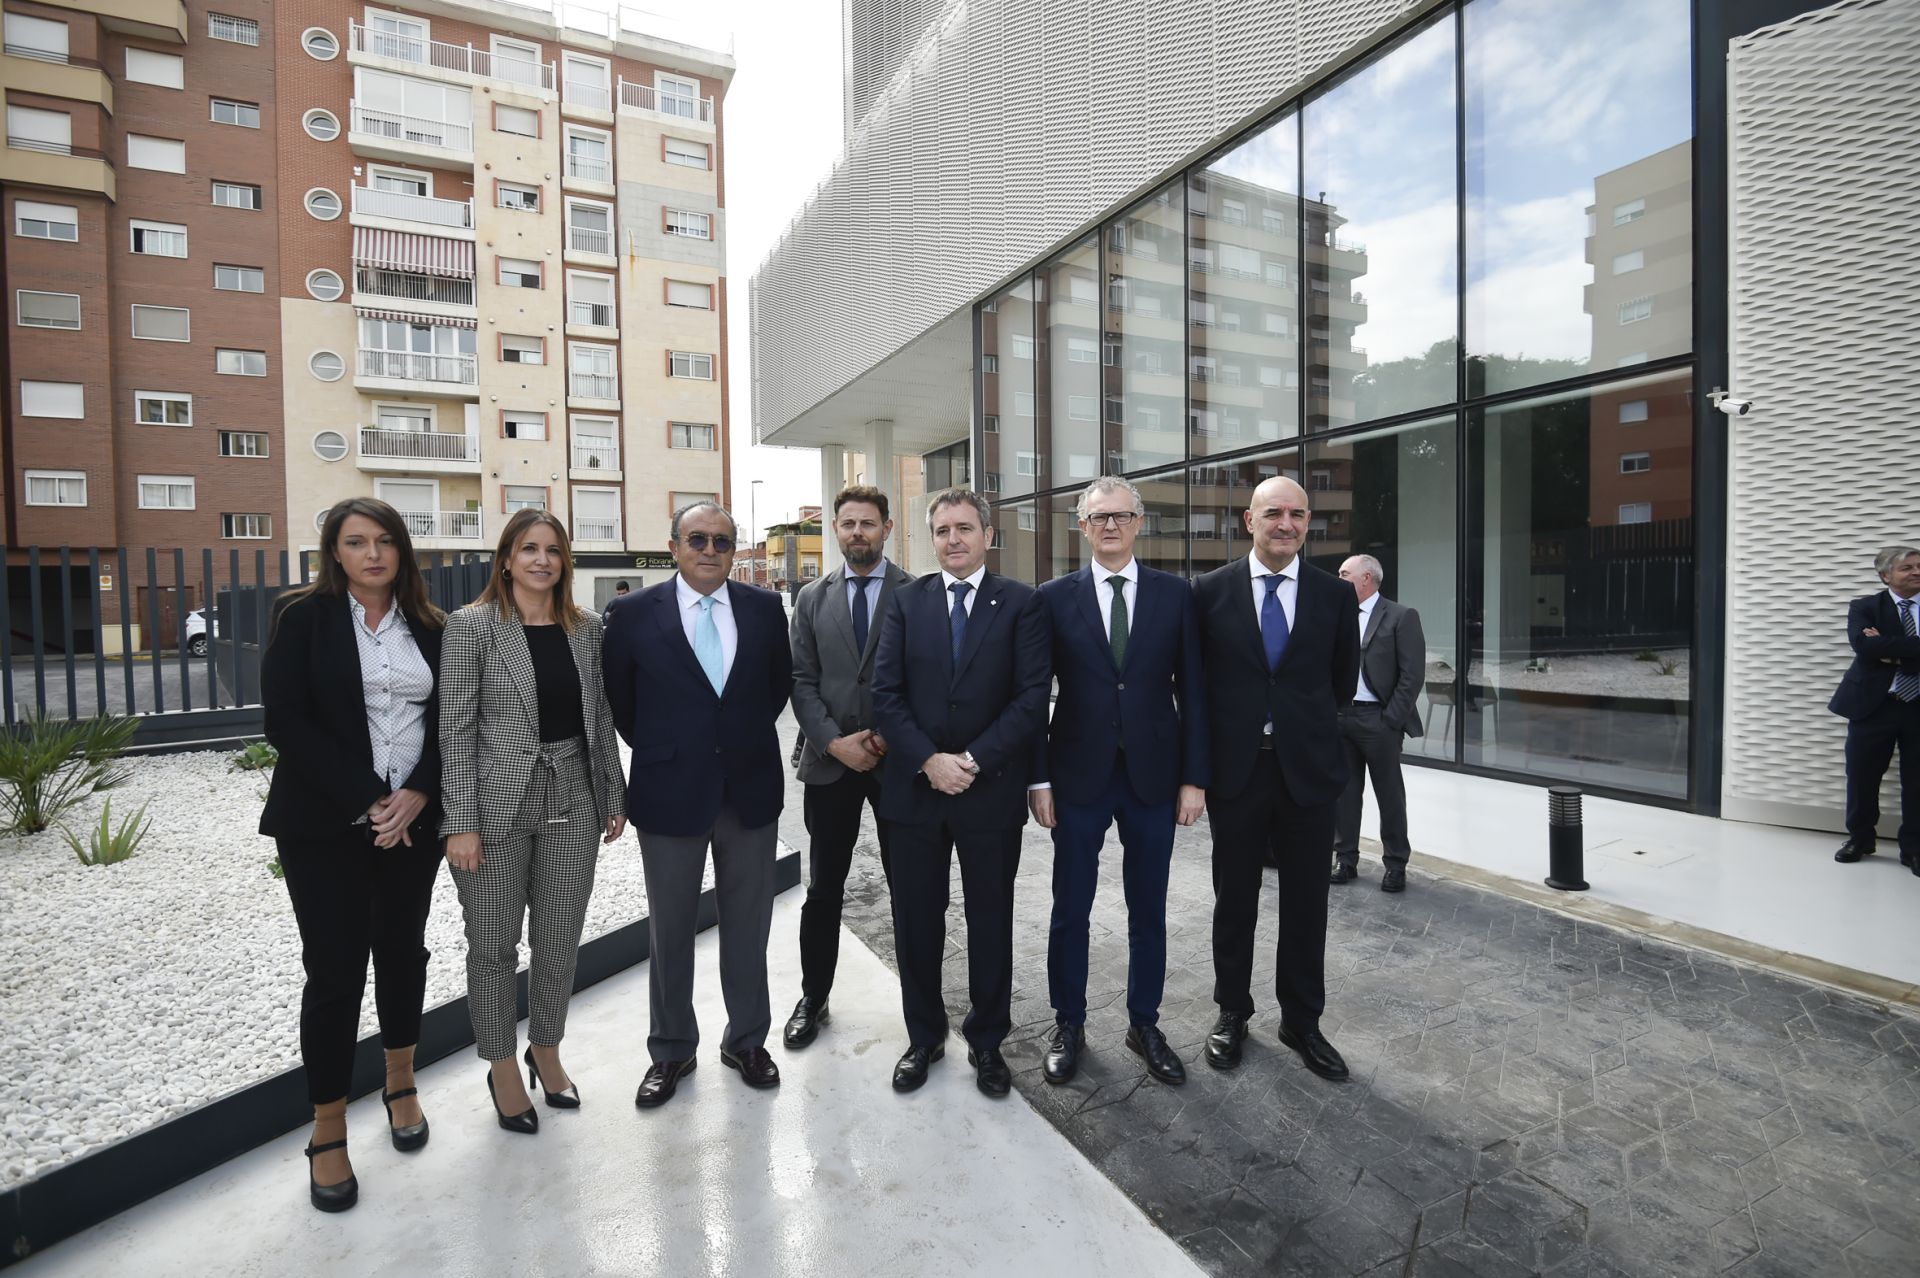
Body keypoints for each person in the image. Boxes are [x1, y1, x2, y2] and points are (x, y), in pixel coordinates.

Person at [260, 498, 446, 1213]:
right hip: (325, 825)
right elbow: (287, 722)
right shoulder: (302, 618)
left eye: (384, 542)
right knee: (334, 972)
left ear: (401, 552)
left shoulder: (430, 628)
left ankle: (401, 1082)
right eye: (355, 542)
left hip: (414, 823)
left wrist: (419, 795)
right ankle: (328, 1126)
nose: (372, 554)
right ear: (333, 553)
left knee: (404, 954)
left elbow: (449, 719)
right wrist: (371, 798)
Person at [439, 510, 627, 1134]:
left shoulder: (587, 629)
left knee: (558, 939)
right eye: (529, 549)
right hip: (494, 809)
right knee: (492, 945)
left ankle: (545, 1047)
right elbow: (455, 731)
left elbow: (599, 718)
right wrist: (459, 822)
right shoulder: (471, 628)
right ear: (507, 559)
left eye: (553, 550)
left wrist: (613, 794)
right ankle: (500, 1065)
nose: (542, 560)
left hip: (574, 796)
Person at [604, 501, 792, 1106]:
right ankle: (671, 1049)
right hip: (669, 792)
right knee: (671, 929)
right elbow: (622, 704)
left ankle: (746, 1040)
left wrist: (730, 744)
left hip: (749, 789)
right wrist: (677, 750)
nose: (710, 550)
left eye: (722, 541)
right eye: (697, 539)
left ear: (734, 549)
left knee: (748, 926)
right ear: (675, 545)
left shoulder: (764, 609)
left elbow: (775, 687)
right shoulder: (632, 614)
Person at [1028, 477, 1208, 1087]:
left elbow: (1195, 694)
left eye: (1122, 516)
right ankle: (1068, 1023)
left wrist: (1193, 780)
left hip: (1154, 779)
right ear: (1082, 527)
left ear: (1139, 524)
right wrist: (1038, 780)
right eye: (1098, 518)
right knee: (1069, 908)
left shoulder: (1175, 596)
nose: (1111, 526)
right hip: (1077, 776)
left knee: (1147, 908)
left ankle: (1144, 1022)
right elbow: (1034, 697)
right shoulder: (1052, 598)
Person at [872, 488, 1051, 1097]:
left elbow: (1031, 699)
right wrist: (928, 760)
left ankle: (987, 1041)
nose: (954, 539)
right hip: (914, 794)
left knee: (989, 920)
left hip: (988, 793)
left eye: (965, 528)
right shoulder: (904, 602)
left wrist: (969, 761)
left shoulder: (1022, 604)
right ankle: (923, 1037)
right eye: (943, 529)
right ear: (931, 538)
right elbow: (885, 694)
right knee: (916, 920)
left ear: (987, 535)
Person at [1194, 474, 1359, 1082]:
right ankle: (1232, 1011)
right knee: (1233, 900)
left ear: (1307, 523)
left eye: (1296, 514)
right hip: (1237, 774)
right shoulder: (1208, 592)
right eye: (1273, 513)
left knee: (1307, 904)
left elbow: (1340, 683)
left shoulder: (1334, 597)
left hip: (1309, 774)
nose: (1284, 523)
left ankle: (1302, 1020)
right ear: (1249, 520)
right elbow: (1198, 686)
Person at [783, 484, 913, 1048]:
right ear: (835, 530)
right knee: (824, 887)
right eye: (847, 524)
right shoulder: (812, 597)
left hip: (896, 764)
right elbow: (801, 681)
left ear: (887, 527)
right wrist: (836, 743)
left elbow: (924, 678)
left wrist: (885, 737)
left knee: (910, 884)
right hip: (831, 764)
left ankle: (921, 1004)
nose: (856, 532)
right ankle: (814, 996)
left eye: (867, 523)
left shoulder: (917, 593)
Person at [1331, 554, 1427, 893]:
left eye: (1344, 573)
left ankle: (1396, 863)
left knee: (1389, 794)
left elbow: (1412, 675)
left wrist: (1390, 720)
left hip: (1378, 720)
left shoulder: (1401, 616)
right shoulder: (1336, 616)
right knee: (1344, 794)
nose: (1338, 578)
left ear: (1366, 578)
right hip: (1342, 717)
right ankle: (1345, 859)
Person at [1830, 545, 1920, 874]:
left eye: (1919, 565)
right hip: (1873, 706)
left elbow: (1878, 647)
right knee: (1862, 776)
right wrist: (1905, 650)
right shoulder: (1865, 607)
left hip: (1917, 708)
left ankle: (1913, 848)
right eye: (1907, 567)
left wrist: (1890, 651)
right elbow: (1864, 646)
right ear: (1886, 576)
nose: (1916, 572)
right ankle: (1860, 838)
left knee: (1917, 781)